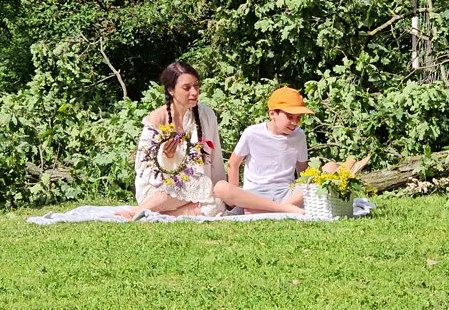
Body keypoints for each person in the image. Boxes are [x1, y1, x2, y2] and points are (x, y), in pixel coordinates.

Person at [116, 62, 226, 220]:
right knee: (193, 185)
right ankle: (140, 211)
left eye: (196, 86)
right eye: (186, 88)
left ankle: (156, 215)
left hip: (198, 187)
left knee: (216, 202)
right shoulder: (156, 119)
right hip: (159, 191)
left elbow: (215, 158)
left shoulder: (206, 115)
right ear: (171, 90)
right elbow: (143, 167)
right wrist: (166, 157)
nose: (194, 92)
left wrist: (218, 188)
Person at [213, 86, 333, 214]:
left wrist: (304, 191)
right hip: (255, 195)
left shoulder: (299, 135)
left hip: (287, 193)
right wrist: (236, 196)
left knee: (331, 167)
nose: (294, 123)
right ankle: (279, 208)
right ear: (272, 114)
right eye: (290, 117)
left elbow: (303, 172)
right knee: (221, 188)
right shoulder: (252, 133)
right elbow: (233, 164)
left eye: (298, 118)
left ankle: (275, 208)